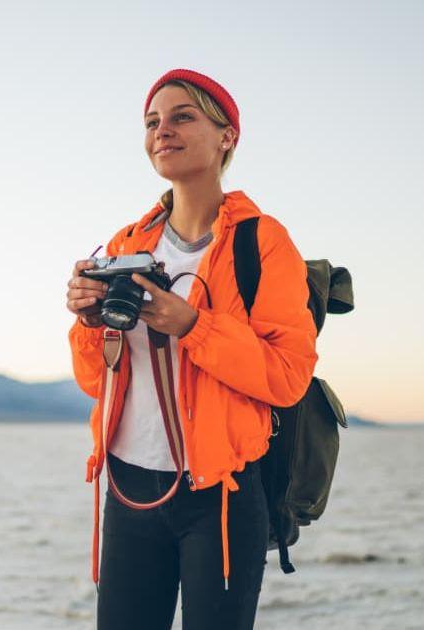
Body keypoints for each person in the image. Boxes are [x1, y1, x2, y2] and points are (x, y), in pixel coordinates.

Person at [64, 68, 319, 629]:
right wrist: (88, 322)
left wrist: (192, 327)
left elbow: (287, 375)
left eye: (183, 117)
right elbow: (96, 382)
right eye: (153, 122)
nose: (163, 131)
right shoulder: (126, 244)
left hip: (220, 497)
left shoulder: (262, 241)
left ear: (227, 136)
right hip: (129, 489)